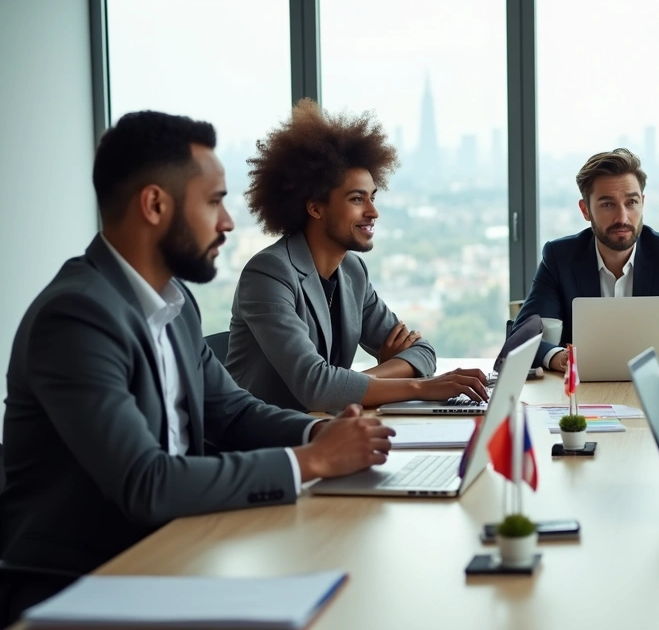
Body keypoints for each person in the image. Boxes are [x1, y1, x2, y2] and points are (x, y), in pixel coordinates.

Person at [0, 111, 394, 624]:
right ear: (154, 205)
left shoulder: (175, 303)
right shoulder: (77, 316)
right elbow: (147, 481)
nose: (228, 222)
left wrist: (322, 432)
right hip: (81, 582)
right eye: (213, 202)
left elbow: (232, 412)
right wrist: (311, 461)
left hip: (174, 552)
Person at [227, 99, 487, 413]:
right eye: (356, 199)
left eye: (372, 197)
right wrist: (421, 387)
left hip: (327, 427)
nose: (373, 211)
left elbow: (422, 352)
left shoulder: (352, 271)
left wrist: (353, 382)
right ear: (315, 207)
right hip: (267, 437)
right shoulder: (268, 274)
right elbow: (318, 388)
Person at [512, 148, 659, 371]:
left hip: (658, 384)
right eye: (608, 204)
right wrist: (559, 357)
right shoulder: (560, 258)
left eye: (631, 202)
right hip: (581, 389)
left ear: (642, 203)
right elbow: (521, 339)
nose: (622, 217)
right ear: (585, 210)